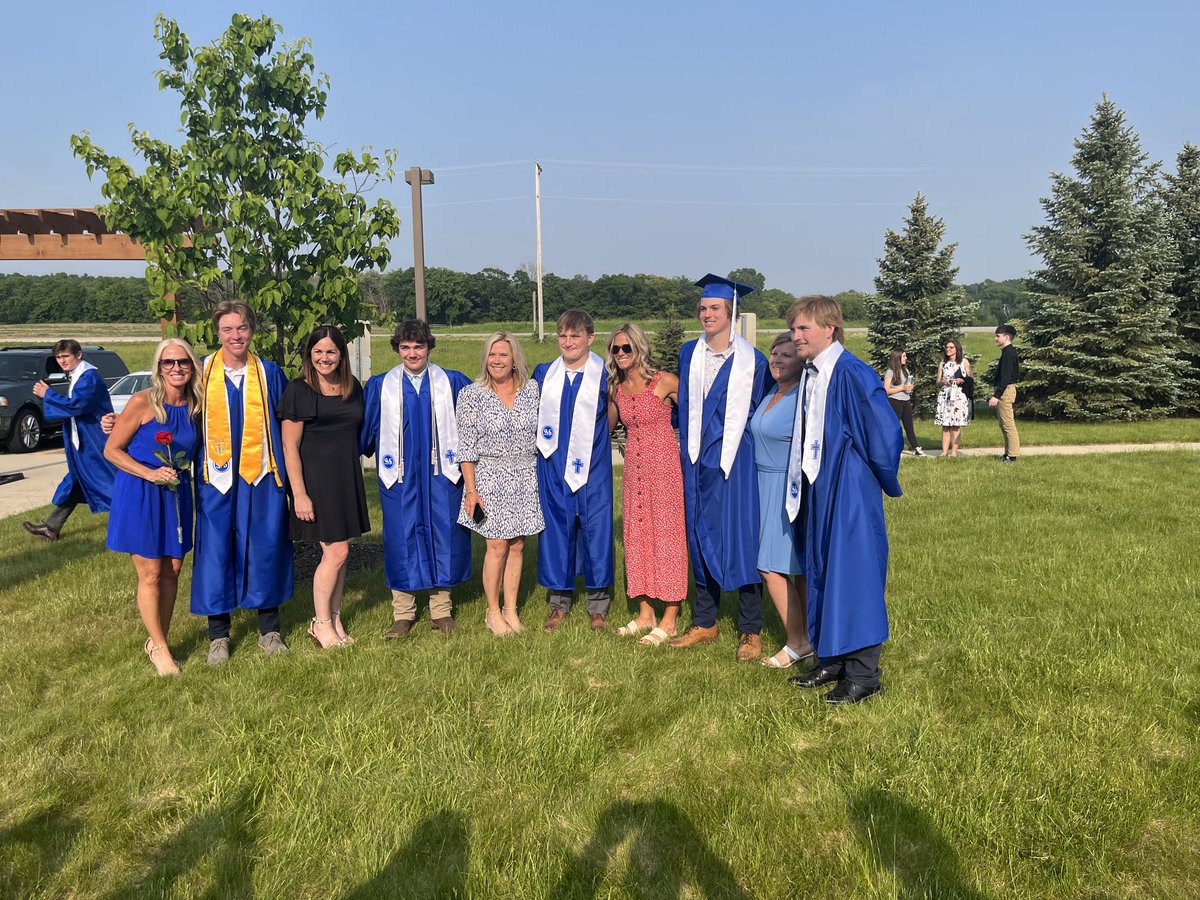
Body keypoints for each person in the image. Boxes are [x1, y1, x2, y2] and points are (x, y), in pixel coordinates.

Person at [785, 295, 903, 704]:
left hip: (848, 485)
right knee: (821, 567)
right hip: (818, 484)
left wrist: (868, 476)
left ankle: (864, 674)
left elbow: (883, 433)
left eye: (803, 328)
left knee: (854, 572)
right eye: (793, 329)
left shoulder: (852, 373)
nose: (795, 336)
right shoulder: (812, 372)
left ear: (829, 328)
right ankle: (831, 657)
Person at [672, 274, 772, 661]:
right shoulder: (688, 353)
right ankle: (705, 621)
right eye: (702, 308)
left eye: (714, 308)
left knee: (739, 536)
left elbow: (761, 410)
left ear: (731, 312)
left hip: (735, 462)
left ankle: (750, 629)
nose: (706, 314)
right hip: (696, 462)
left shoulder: (754, 361)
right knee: (698, 536)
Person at [193, 300, 293, 664]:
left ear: (252, 330)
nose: (236, 336)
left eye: (242, 328)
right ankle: (218, 635)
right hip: (215, 480)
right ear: (217, 333)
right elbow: (172, 414)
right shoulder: (201, 373)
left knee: (265, 547)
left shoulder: (269, 373)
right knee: (216, 551)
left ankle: (269, 630)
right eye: (227, 330)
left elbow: (290, 424)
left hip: (262, 477)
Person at [361, 320, 473, 638]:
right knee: (401, 538)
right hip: (400, 477)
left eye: (419, 346)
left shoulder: (451, 382)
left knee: (443, 536)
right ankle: (403, 613)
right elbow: (367, 432)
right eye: (406, 346)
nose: (412, 353)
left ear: (428, 348)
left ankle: (441, 611)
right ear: (397, 348)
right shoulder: (381, 386)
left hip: (442, 476)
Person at [104, 338, 203, 676]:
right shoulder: (142, 402)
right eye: (168, 363)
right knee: (149, 573)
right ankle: (160, 649)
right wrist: (149, 472)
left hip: (177, 494)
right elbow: (112, 450)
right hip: (142, 493)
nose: (176, 368)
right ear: (158, 368)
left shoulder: (195, 405)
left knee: (173, 569)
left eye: (183, 362)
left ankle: (158, 638)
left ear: (192, 366)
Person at [279, 326, 371, 650]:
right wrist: (300, 494)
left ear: (341, 355)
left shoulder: (351, 387)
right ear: (309, 354)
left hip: (346, 477)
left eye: (331, 351)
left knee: (341, 554)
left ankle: (334, 617)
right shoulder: (299, 390)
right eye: (318, 351)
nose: (324, 358)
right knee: (336, 551)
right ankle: (319, 625)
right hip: (316, 483)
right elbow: (290, 447)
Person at [456, 332, 545, 636]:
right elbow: (465, 448)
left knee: (518, 545)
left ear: (514, 359)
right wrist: (471, 491)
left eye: (503, 355)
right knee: (496, 546)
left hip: (524, 476)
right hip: (488, 478)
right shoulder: (472, 394)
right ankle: (492, 612)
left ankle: (511, 610)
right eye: (492, 355)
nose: (497, 361)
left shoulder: (532, 391)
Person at [606, 323, 687, 647]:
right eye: (615, 349)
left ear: (639, 347)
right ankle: (645, 613)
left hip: (664, 468)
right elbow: (610, 426)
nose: (621, 354)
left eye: (627, 348)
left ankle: (670, 619)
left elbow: (696, 416)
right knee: (636, 536)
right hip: (634, 470)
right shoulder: (617, 387)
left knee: (667, 538)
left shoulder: (664, 381)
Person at [533, 310, 614, 632]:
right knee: (557, 532)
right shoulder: (544, 374)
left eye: (575, 336)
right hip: (552, 466)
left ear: (590, 339)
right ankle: (559, 604)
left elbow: (614, 414)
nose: (568, 342)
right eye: (563, 336)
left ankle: (598, 607)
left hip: (593, 467)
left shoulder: (604, 374)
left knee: (596, 531)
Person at [751, 334, 816, 669]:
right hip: (761, 485)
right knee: (793, 566)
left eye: (786, 355)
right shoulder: (773, 392)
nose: (776, 359)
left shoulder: (803, 396)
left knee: (770, 565)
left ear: (802, 360)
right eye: (774, 354)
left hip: (787, 485)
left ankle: (797, 642)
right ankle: (808, 636)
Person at [23, 340, 117, 541]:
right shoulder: (78, 375)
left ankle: (130, 520)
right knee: (77, 480)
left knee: (107, 481)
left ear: (78, 355)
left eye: (66, 356)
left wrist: (48, 394)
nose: (62, 361)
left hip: (95, 439)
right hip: (82, 438)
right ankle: (51, 527)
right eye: (58, 357)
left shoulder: (89, 377)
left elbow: (77, 405)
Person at [883, 349, 925, 456]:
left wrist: (909, 387)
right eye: (904, 356)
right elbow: (886, 390)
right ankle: (891, 449)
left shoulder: (905, 370)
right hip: (894, 401)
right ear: (897, 358)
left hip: (906, 401)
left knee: (909, 426)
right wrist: (902, 387)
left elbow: (905, 386)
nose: (906, 358)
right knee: (894, 427)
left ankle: (916, 447)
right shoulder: (890, 372)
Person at [934, 339, 972, 458]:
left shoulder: (964, 362)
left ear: (957, 349)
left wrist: (962, 380)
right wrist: (944, 381)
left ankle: (954, 452)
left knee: (956, 425)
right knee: (946, 425)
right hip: (946, 395)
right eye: (947, 348)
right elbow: (938, 381)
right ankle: (944, 451)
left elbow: (971, 379)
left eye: (951, 347)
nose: (948, 350)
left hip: (959, 395)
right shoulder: (942, 364)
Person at [990, 324, 1021, 462]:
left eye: (998, 336)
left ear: (1006, 337)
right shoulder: (1007, 352)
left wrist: (997, 395)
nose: (996, 339)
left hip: (1006, 390)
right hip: (1005, 389)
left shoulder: (1009, 353)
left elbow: (1006, 377)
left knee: (1008, 423)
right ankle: (1008, 452)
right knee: (1003, 424)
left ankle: (1012, 455)